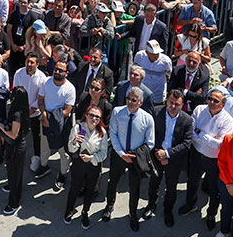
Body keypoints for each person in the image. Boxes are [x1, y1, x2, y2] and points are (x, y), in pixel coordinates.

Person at [102, 84, 155, 231]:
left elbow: (150, 143)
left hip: (136, 158)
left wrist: (135, 155)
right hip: (119, 155)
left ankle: (132, 214)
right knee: (113, 181)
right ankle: (109, 206)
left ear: (140, 103)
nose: (130, 102)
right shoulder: (117, 112)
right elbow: (113, 134)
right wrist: (121, 153)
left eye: (134, 100)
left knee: (134, 187)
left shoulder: (147, 119)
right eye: (128, 99)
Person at [185, 87, 233, 226]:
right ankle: (190, 204)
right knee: (192, 181)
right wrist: (210, 138)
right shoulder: (199, 110)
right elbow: (191, 133)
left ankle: (211, 215)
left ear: (223, 105)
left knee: (215, 190)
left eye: (216, 100)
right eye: (210, 99)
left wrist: (200, 133)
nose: (211, 102)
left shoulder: (228, 121)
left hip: (214, 160)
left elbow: (219, 145)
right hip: (196, 153)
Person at [145, 88, 193, 227]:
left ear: (182, 105)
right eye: (171, 102)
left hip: (173, 160)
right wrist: (157, 154)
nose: (173, 107)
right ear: (166, 100)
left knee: (171, 188)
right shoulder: (155, 112)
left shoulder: (187, 120)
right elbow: (149, 135)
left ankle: (168, 210)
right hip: (155, 157)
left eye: (177, 104)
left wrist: (167, 154)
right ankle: (151, 205)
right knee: (154, 183)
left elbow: (187, 143)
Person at [64, 103, 110, 228]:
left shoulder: (102, 132)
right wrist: (74, 142)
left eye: (97, 117)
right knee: (74, 188)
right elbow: (71, 149)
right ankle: (69, 210)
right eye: (91, 115)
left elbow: (104, 153)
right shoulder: (79, 128)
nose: (94, 119)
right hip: (79, 164)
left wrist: (92, 158)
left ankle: (85, 212)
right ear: (86, 115)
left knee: (90, 190)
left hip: (93, 165)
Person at [38, 50, 77, 188]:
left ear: (66, 73)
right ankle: (43, 166)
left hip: (61, 123)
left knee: (63, 151)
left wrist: (51, 120)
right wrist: (44, 116)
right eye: (56, 69)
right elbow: (40, 100)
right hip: (45, 119)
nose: (57, 72)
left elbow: (67, 110)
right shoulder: (46, 82)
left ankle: (63, 173)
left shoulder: (70, 89)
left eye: (61, 70)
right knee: (44, 146)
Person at [0, 86, 30, 216]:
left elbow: (13, 134)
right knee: (11, 171)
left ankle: (14, 203)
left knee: (15, 174)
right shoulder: (21, 110)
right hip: (15, 146)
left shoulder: (17, 114)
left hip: (16, 147)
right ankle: (11, 186)